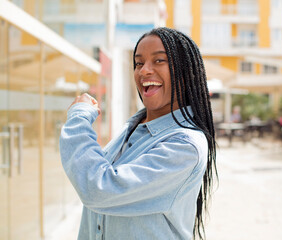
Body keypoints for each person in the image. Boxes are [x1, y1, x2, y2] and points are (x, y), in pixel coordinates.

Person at [59, 27, 217, 240]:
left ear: (186, 71)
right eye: (139, 63)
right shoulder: (132, 127)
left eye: (159, 60)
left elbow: (99, 189)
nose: (144, 71)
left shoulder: (185, 145)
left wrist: (79, 118)